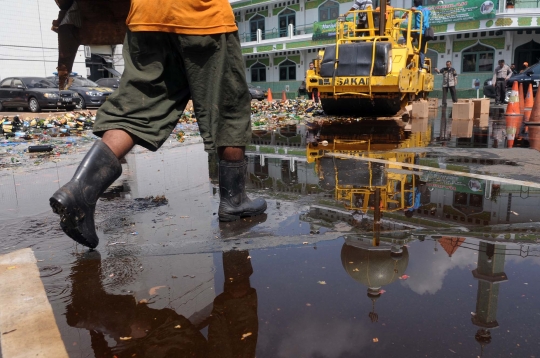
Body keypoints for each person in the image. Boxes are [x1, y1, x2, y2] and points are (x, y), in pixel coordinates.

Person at [49, 0, 267, 249]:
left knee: (136, 109)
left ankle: (79, 191)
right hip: (202, 16)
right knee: (227, 106)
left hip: (146, 17)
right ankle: (234, 200)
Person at [411, 0, 429, 69]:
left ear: (415, 4)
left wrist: (406, 13)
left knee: (405, 32)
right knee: (422, 49)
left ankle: (409, 46)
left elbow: (412, 9)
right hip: (425, 32)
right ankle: (421, 64)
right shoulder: (426, 10)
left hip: (418, 31)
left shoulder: (418, 9)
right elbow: (429, 13)